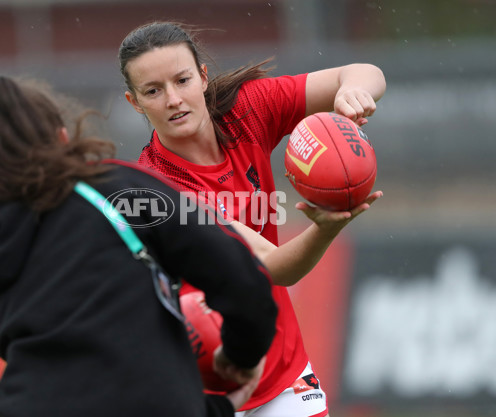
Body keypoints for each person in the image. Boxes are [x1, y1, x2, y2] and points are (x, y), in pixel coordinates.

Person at [0, 76, 279, 417]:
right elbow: (240, 277)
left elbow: (73, 383)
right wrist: (241, 356)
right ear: (62, 137)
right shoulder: (120, 192)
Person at [119, 21, 386, 416]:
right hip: (204, 392)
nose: (173, 99)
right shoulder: (157, 188)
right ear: (135, 103)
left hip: (283, 377)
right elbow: (271, 267)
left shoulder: (245, 110)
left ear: (203, 77)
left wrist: (351, 93)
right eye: (153, 91)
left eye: (182, 80)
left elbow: (367, 73)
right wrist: (326, 229)